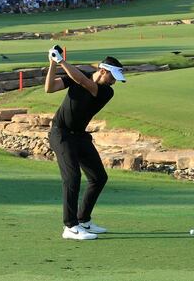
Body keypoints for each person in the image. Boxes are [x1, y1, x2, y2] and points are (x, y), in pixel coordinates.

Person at [44, 45, 125, 240]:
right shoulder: (80, 74)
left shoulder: (106, 91)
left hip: (79, 136)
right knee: (72, 178)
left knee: (98, 177)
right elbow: (49, 88)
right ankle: (70, 227)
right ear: (103, 70)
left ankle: (83, 220)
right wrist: (52, 64)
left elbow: (80, 80)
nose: (114, 82)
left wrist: (61, 60)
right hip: (60, 134)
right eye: (112, 77)